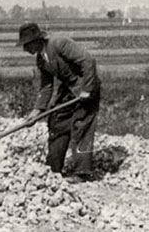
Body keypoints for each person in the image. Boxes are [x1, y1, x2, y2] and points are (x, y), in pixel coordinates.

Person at [19, 22, 100, 183]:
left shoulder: (59, 44)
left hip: (85, 88)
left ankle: (82, 172)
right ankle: (53, 168)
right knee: (57, 121)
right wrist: (37, 111)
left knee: (80, 126)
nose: (24, 49)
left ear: (36, 41)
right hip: (68, 89)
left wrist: (87, 89)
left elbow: (88, 60)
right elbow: (46, 87)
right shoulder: (41, 60)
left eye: (26, 45)